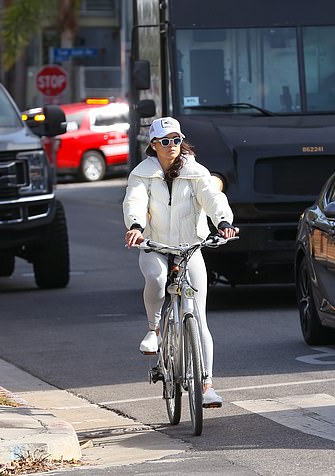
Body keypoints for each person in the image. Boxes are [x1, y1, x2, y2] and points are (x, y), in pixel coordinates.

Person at [123, 116, 237, 408]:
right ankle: (154, 330)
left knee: (198, 317)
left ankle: (207, 384)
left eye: (176, 140)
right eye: (165, 141)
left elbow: (213, 197)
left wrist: (223, 221)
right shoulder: (142, 174)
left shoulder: (196, 171)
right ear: (153, 145)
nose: (171, 146)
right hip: (155, 246)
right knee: (157, 279)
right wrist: (135, 227)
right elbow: (134, 201)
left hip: (190, 248)